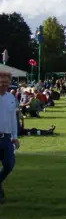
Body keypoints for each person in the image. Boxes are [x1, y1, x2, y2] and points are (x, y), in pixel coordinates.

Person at [0, 71, 19, 204]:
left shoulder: (11, 98)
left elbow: (13, 119)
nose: (4, 84)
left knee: (9, 164)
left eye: (6, 82)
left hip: (6, 138)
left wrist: (15, 136)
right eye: (2, 82)